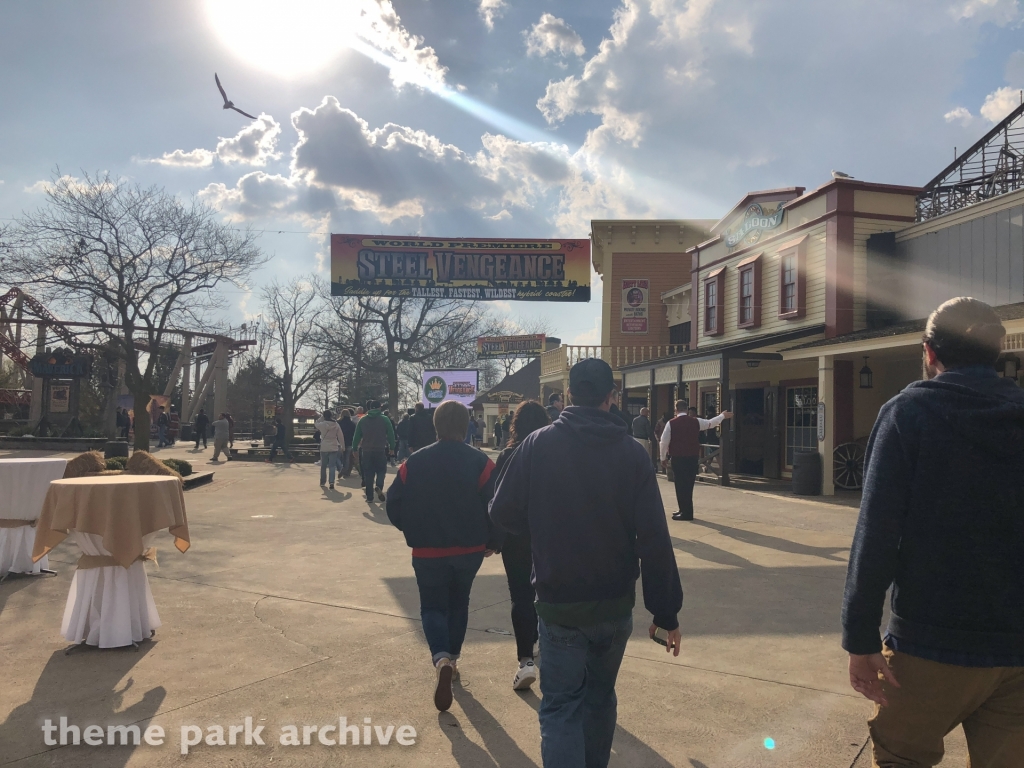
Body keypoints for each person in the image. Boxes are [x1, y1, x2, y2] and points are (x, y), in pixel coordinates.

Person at [841, 297, 1024, 767]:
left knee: (902, 757)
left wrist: (860, 639)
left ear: (929, 352)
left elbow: (876, 534)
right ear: (996, 352)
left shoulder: (909, 413)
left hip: (929, 640)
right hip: (1017, 644)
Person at [490, 358, 683, 768]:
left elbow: (502, 511)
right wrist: (666, 611)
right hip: (613, 602)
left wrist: (542, 524)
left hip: (559, 601)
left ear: (568, 397)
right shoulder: (632, 454)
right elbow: (653, 536)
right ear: (612, 398)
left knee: (561, 706)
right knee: (599, 699)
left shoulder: (537, 444)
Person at [386, 400, 499, 712]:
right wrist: (492, 539)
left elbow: (393, 504)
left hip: (427, 549)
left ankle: (441, 658)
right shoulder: (481, 462)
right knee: (459, 601)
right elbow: (496, 504)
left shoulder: (414, 462)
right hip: (469, 547)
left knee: (433, 605)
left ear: (435, 426)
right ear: (466, 427)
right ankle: (455, 657)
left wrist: (411, 528)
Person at [492, 400, 550, 690]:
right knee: (548, 591)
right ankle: (547, 646)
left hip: (517, 534)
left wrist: (495, 537)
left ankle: (525, 659)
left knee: (520, 594)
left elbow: (497, 500)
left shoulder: (508, 455)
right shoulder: (555, 453)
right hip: (550, 532)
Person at [659, 402, 732, 521]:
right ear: (687, 409)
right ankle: (685, 509)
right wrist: (722, 416)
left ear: (676, 410)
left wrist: (663, 458)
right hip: (692, 457)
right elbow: (711, 423)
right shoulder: (696, 421)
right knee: (689, 484)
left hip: (678, 457)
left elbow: (664, 441)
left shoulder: (671, 423)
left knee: (680, 484)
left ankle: (685, 512)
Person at [352, 400, 396, 503]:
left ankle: (369, 497)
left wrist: (354, 449)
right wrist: (392, 447)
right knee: (381, 470)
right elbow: (391, 434)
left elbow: (356, 436)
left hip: (366, 450)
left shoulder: (362, 420)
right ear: (379, 408)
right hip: (380, 449)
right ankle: (379, 486)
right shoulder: (385, 419)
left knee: (368, 473)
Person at [315, 409, 343, 489]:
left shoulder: (322, 424)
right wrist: (342, 445)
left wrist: (321, 417)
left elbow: (316, 424)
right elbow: (340, 436)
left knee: (323, 466)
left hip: (324, 446)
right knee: (332, 466)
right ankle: (331, 482)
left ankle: (323, 482)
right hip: (334, 445)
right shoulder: (336, 424)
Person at [337, 409, 355, 477]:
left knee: (337, 457)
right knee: (346, 458)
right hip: (349, 442)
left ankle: (341, 468)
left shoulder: (338, 423)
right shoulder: (352, 424)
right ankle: (344, 470)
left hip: (339, 442)